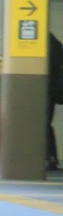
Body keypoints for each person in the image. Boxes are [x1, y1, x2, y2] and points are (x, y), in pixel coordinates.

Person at [49, 33, 63, 170]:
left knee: (43, 124)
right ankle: (51, 157)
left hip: (47, 90)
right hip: (51, 91)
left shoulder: (48, 44)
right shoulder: (56, 45)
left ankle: (50, 157)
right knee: (46, 125)